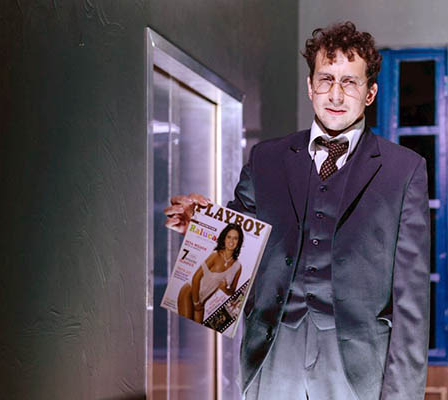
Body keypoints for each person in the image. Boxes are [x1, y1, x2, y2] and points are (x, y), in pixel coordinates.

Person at [165, 21, 430, 400]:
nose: (335, 94)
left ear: (370, 93)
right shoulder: (266, 158)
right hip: (272, 356)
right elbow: (239, 243)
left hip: (357, 369)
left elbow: (411, 302)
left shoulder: (404, 170)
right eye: (326, 80)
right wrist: (201, 226)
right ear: (310, 87)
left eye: (349, 82)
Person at [177, 223, 244, 323]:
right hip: (189, 293)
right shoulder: (215, 255)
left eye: (235, 238)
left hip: (201, 302)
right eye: (229, 237)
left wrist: (224, 288)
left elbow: (232, 291)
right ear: (224, 238)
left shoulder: (238, 267)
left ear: (239, 242)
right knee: (186, 326)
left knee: (196, 330)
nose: (231, 241)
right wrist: (196, 303)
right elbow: (196, 277)